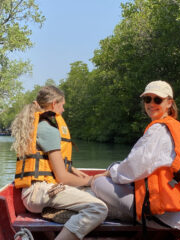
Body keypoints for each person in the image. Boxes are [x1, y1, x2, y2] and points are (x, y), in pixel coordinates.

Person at [91, 80, 180, 232]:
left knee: (98, 182)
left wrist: (109, 172)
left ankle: (113, 211)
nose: (151, 103)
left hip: (170, 217)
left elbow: (130, 170)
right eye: (147, 99)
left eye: (157, 99)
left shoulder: (158, 130)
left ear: (169, 103)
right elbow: (137, 166)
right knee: (118, 173)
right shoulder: (175, 126)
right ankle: (118, 212)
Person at [10, 85, 108, 240]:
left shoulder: (38, 126)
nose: (63, 111)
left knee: (96, 197)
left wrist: (73, 169)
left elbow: (47, 163)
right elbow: (62, 177)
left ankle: (61, 214)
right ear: (54, 104)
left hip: (35, 192)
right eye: (62, 106)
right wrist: (92, 180)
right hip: (39, 193)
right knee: (98, 208)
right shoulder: (48, 130)